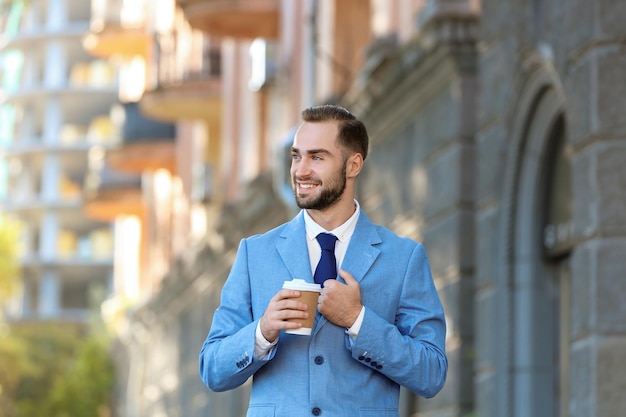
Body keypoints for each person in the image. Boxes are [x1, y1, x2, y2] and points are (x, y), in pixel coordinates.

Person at [199, 104, 447, 416]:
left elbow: (432, 373)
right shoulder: (254, 253)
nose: (301, 170)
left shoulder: (404, 258)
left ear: (353, 164)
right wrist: (262, 331)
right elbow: (212, 369)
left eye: (317, 157)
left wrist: (358, 320)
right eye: (296, 156)